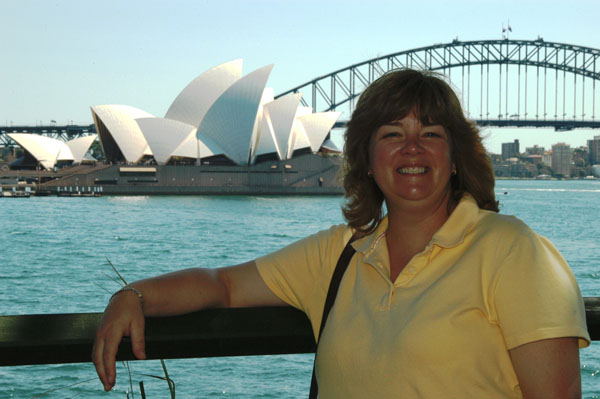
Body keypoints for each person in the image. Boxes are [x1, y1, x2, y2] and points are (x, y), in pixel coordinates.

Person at [93, 69, 590, 398]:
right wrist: (134, 295)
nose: (412, 149)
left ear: (456, 158)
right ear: (368, 160)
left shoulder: (512, 251)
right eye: (392, 135)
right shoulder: (341, 254)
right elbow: (223, 285)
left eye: (432, 135)